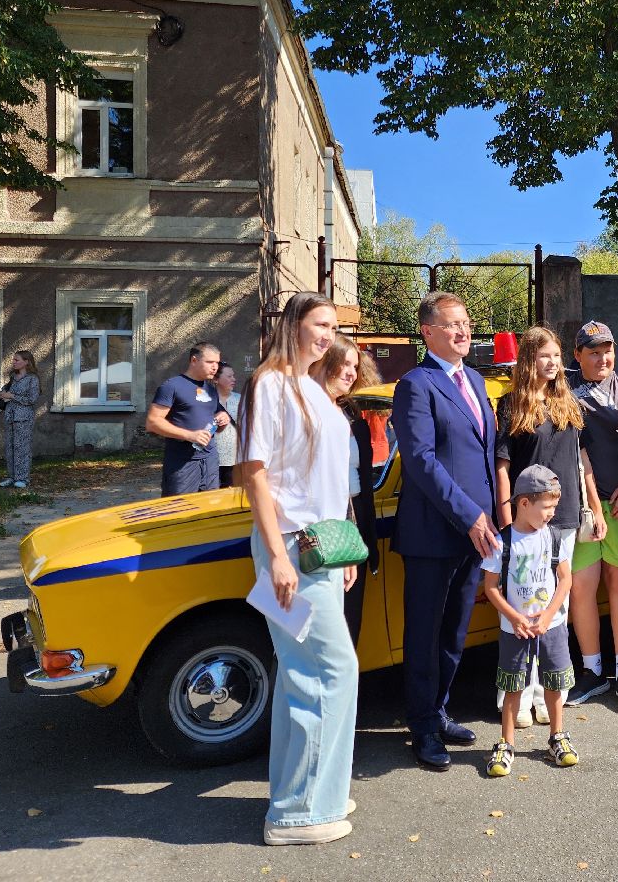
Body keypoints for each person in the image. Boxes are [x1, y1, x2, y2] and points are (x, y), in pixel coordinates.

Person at [237, 292, 359, 847]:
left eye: (333, 327)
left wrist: (341, 549)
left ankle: (308, 791)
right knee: (331, 671)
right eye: (319, 325)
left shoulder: (313, 387)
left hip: (320, 552)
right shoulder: (272, 383)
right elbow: (256, 475)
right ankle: (301, 812)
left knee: (298, 673)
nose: (327, 336)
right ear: (293, 325)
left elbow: (326, 482)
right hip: (291, 549)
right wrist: (279, 555)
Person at [391, 292, 499, 771]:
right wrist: (470, 514)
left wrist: (492, 516)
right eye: (452, 324)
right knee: (425, 634)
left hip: (477, 534)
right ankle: (423, 727)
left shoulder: (475, 380)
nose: (463, 331)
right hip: (435, 532)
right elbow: (421, 461)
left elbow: (483, 455)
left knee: (455, 632)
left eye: (467, 322)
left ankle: (440, 709)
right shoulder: (416, 384)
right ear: (428, 332)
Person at [493, 326, 604, 726]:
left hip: (566, 516)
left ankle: (545, 694)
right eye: (544, 356)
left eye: (557, 355)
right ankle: (516, 698)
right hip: (525, 520)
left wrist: (596, 507)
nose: (553, 363)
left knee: (555, 606)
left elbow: (583, 461)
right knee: (521, 603)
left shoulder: (568, 403)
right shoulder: (511, 406)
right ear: (528, 360)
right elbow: (503, 468)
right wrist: (507, 517)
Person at [567, 320, 618, 715]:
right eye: (593, 351)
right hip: (582, 508)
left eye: (608, 349)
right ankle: (592, 669)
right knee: (581, 588)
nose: (603, 357)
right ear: (578, 355)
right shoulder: (566, 392)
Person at [482, 464, 579, 777]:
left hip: (550, 627)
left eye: (554, 506)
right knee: (513, 686)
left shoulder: (554, 538)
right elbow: (490, 587)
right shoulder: (503, 542)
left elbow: (565, 580)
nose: (552, 513)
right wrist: (514, 616)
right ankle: (506, 743)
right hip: (515, 629)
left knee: (553, 681)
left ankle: (557, 735)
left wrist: (549, 615)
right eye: (547, 507)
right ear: (524, 503)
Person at [318, 336, 375, 647]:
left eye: (356, 366)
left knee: (350, 615)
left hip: (357, 512)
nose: (352, 372)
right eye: (346, 364)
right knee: (331, 621)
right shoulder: (312, 409)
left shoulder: (348, 410)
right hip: (328, 522)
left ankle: (347, 692)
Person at [147, 343, 230, 496]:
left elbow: (217, 419)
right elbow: (152, 423)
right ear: (194, 360)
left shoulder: (210, 389)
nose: (215, 367)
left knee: (209, 509)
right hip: (182, 463)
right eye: (210, 362)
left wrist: (223, 418)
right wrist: (189, 435)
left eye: (217, 363)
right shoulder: (172, 386)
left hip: (209, 459)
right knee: (179, 511)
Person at [0, 350, 40, 489]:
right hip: (10, 416)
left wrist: (12, 396)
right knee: (10, 447)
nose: (14, 362)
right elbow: (6, 391)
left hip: (24, 418)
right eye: (13, 360)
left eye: (17, 360)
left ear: (26, 362)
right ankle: (11, 476)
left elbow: (32, 399)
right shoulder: (12, 376)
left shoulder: (32, 379)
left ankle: (23, 478)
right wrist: (3, 393)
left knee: (22, 448)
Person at [213, 362, 242, 489]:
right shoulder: (207, 400)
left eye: (233, 376)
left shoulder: (240, 399)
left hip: (235, 459)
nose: (233, 379)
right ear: (216, 379)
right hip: (212, 458)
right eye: (229, 376)